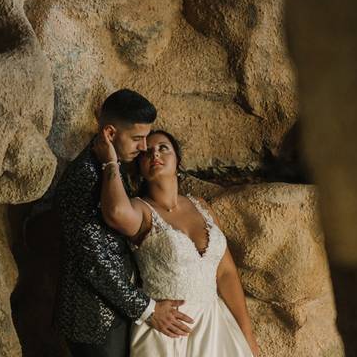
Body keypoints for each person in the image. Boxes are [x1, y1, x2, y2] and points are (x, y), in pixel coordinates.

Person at [94, 128, 259, 356]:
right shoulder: (141, 209)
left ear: (178, 159)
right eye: (146, 153)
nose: (155, 155)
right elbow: (115, 211)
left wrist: (246, 333)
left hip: (216, 327)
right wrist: (110, 162)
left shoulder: (201, 206)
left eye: (163, 148)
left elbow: (226, 273)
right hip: (167, 331)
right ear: (140, 167)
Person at [55, 90, 193, 357]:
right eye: (137, 139)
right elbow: (94, 261)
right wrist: (148, 309)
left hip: (117, 312)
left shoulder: (112, 168)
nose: (144, 148)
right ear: (109, 133)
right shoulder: (84, 177)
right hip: (94, 320)